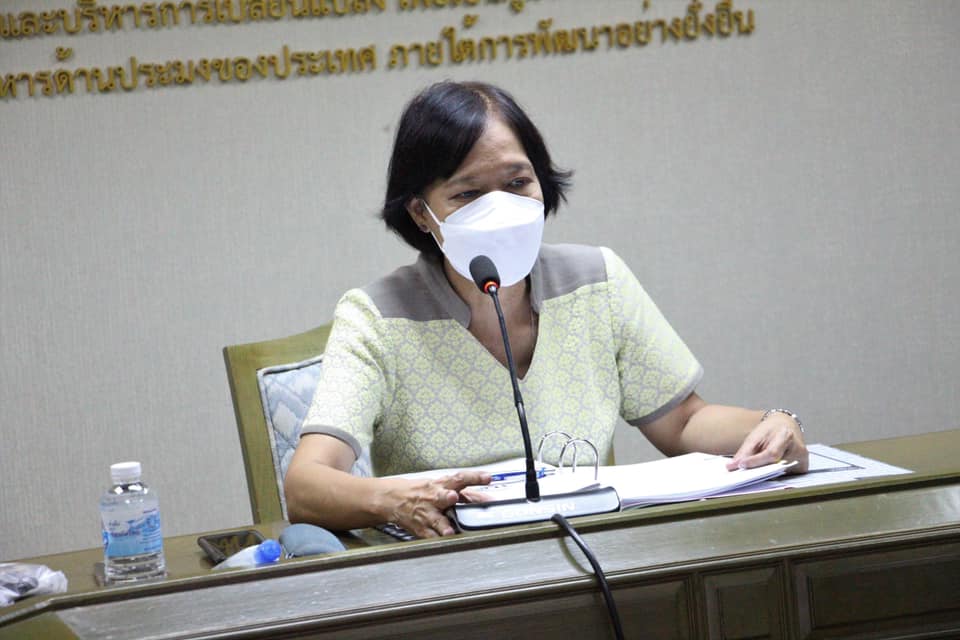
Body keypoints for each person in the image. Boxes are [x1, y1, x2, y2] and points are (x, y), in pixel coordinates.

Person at [285, 81, 808, 539]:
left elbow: (684, 421)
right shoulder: (377, 317)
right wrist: (395, 500)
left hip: (590, 556)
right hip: (451, 573)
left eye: (518, 183)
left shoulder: (597, 281)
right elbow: (306, 486)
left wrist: (772, 424)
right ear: (422, 213)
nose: (500, 208)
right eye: (467, 194)